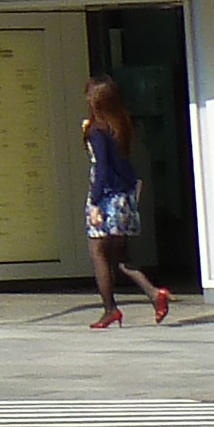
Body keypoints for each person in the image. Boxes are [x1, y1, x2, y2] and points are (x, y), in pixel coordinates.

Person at [84, 78, 168, 328]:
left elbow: (102, 169)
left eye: (89, 95)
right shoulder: (121, 124)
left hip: (106, 196)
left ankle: (110, 309)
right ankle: (154, 293)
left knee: (98, 252)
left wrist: (95, 202)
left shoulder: (97, 130)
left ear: (96, 100)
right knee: (122, 257)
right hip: (125, 197)